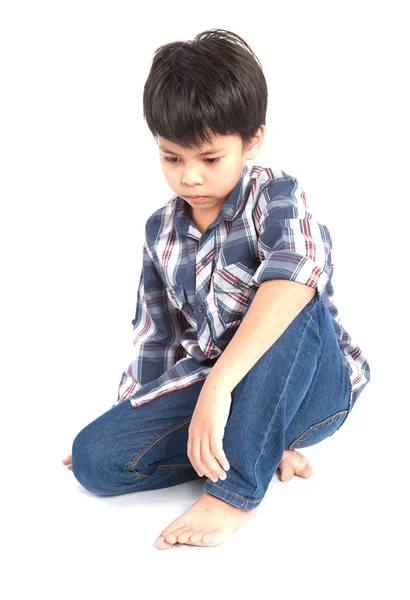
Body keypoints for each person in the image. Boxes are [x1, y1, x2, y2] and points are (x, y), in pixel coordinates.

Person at [62, 28, 371, 549]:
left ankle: (234, 489)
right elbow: (156, 339)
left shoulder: (275, 194)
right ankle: (261, 444)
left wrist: (219, 386)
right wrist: (128, 419)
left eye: (209, 158)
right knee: (94, 458)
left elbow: (298, 278)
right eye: (172, 158)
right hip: (216, 394)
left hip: (312, 387)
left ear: (251, 141)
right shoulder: (159, 230)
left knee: (292, 294)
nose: (190, 178)